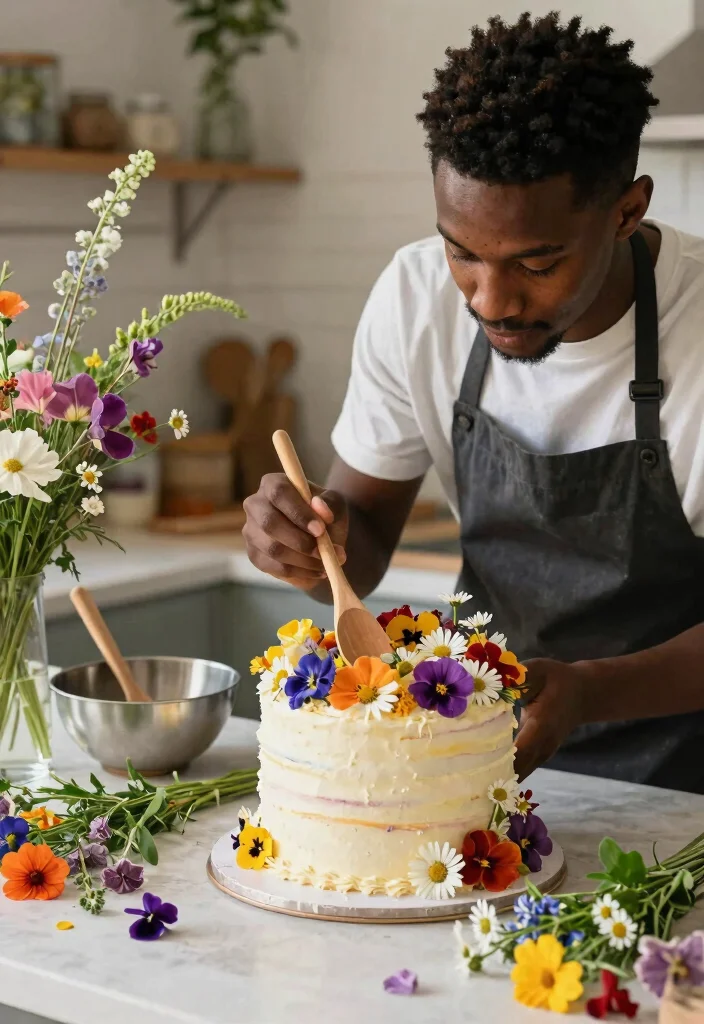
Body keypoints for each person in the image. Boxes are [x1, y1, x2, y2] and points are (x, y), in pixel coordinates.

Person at [243, 13, 704, 793]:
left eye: (538, 261)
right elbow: (361, 546)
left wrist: (589, 693)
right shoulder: (415, 297)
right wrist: (308, 545)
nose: (491, 301)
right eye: (463, 251)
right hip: (487, 768)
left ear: (626, 212)